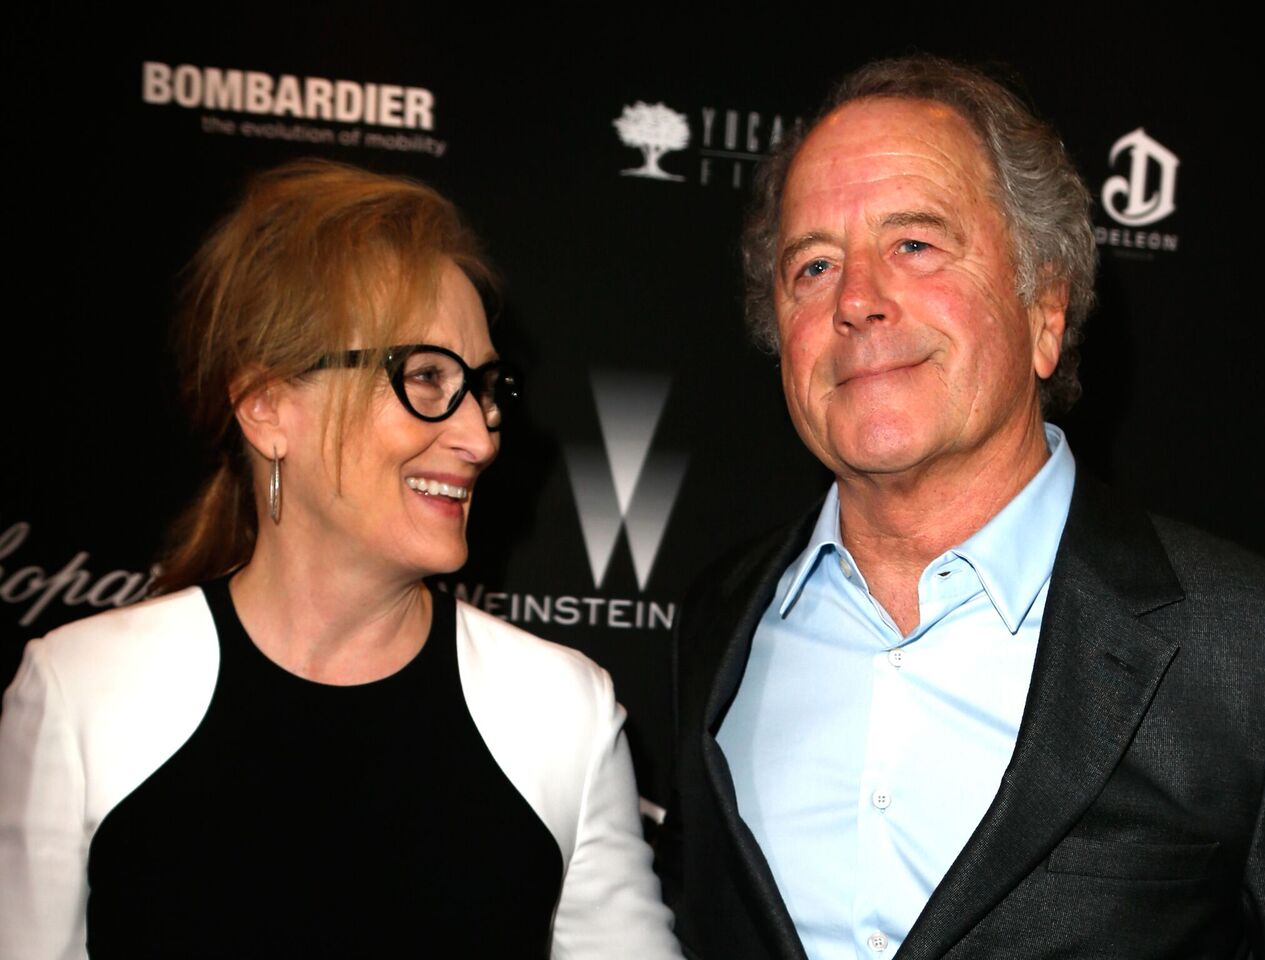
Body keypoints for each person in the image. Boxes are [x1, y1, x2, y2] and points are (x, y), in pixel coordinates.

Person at [657, 55, 1264, 959]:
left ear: (1045, 307)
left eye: (914, 244)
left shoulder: (1239, 641)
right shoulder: (717, 621)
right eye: (813, 265)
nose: (857, 300)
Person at [0, 160, 682, 959]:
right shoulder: (81, 693)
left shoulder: (560, 710)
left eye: (486, 386)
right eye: (427, 376)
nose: (480, 435)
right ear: (266, 408)